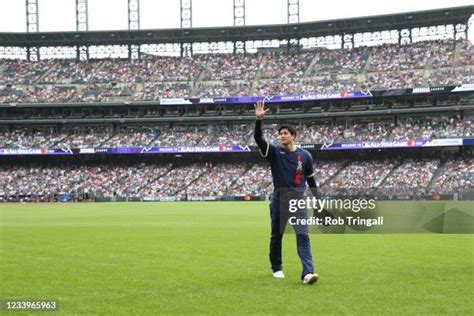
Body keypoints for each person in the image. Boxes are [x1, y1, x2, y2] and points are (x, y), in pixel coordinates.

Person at [254, 99, 319, 285]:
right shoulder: (274, 153)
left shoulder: (305, 156)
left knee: (303, 235)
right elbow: (259, 139)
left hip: (298, 199)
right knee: (277, 235)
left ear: (293, 136)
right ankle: (277, 267)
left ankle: (308, 273)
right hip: (279, 198)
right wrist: (259, 120)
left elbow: (311, 180)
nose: (281, 136)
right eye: (280, 134)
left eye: (285, 134)